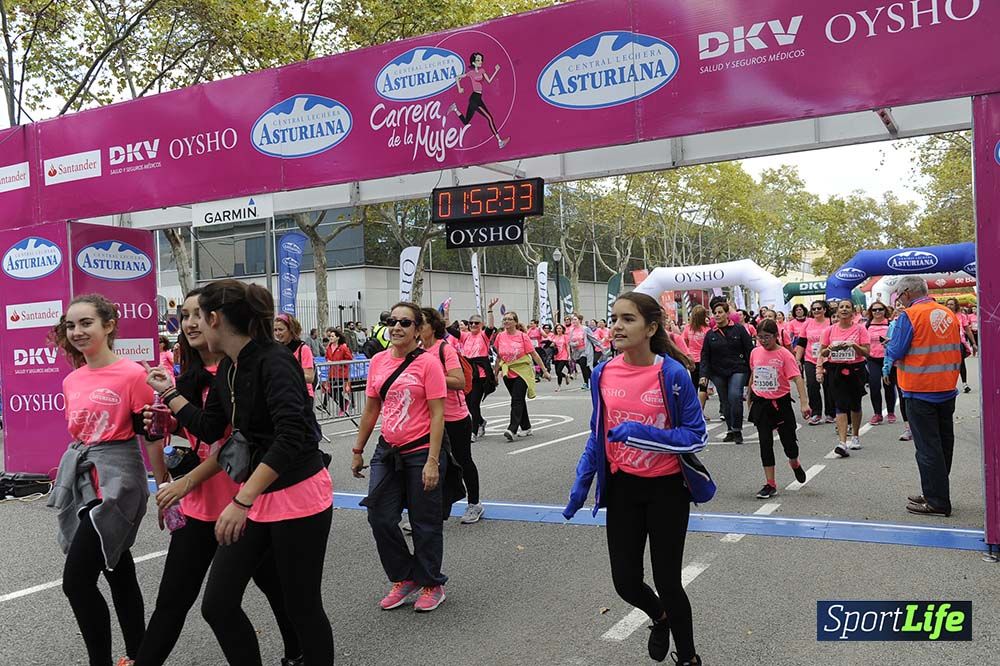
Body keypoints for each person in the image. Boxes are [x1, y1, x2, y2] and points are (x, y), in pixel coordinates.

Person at [144, 280, 334, 666]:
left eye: (197, 316)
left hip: (298, 496)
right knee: (218, 605)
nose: (191, 324)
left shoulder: (274, 360)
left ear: (215, 318)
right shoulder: (230, 366)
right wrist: (169, 395)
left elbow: (291, 436)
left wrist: (241, 500)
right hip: (256, 498)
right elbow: (211, 427)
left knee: (302, 606)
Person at [564, 292, 705, 665]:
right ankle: (659, 617)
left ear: (651, 328)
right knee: (625, 582)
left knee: (668, 582)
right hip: (623, 487)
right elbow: (598, 433)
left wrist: (642, 434)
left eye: (628, 319)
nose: (616, 327)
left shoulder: (672, 374)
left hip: (666, 489)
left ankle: (688, 657)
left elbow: (696, 436)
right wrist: (583, 481)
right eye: (614, 318)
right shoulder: (603, 373)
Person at [46, 294, 168, 666]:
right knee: (117, 567)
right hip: (84, 478)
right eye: (71, 325)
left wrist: (163, 486)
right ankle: (139, 655)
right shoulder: (72, 380)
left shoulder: (132, 375)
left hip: (120, 481)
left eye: (86, 323)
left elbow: (152, 436)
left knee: (76, 582)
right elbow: (81, 436)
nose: (77, 332)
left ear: (109, 325)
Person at [352, 303, 450, 611]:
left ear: (418, 329)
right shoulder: (378, 361)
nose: (396, 327)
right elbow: (371, 409)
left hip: (421, 450)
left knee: (424, 521)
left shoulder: (428, 363)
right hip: (387, 451)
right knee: (379, 516)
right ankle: (405, 576)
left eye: (405, 323)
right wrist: (357, 450)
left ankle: (431, 583)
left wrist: (433, 461)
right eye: (391, 321)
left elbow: (438, 414)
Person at [885, 276, 962, 517]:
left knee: (927, 448)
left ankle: (937, 501)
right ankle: (935, 491)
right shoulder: (947, 313)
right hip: (946, 387)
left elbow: (896, 350)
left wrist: (889, 343)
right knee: (943, 443)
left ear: (907, 292)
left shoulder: (910, 316)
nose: (899, 300)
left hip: (920, 389)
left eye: (899, 295)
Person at [420, 307, 484, 524]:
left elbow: (459, 382)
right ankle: (433, 511)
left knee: (463, 460)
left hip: (454, 417)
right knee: (432, 463)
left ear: (433, 327)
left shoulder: (444, 349)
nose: (417, 327)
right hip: (429, 417)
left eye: (421, 323)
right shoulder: (417, 351)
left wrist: (431, 375)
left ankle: (474, 504)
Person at [747, 320, 811, 499]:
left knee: (789, 442)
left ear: (776, 336)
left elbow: (797, 378)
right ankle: (770, 483)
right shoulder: (755, 352)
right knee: (765, 443)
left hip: (780, 403)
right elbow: (753, 374)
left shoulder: (784, 354)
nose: (763, 341)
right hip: (761, 403)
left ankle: (794, 462)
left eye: (767, 337)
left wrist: (804, 403)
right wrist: (749, 396)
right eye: (760, 337)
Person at [817, 300, 870, 458]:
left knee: (855, 404)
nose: (844, 309)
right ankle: (842, 442)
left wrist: (853, 345)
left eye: (848, 307)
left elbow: (867, 352)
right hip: (836, 369)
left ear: (853, 311)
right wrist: (830, 349)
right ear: (837, 312)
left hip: (856, 369)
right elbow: (822, 353)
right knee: (840, 404)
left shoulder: (860, 329)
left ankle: (855, 436)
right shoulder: (829, 331)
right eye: (842, 307)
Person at [700, 301, 754, 444]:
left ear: (727, 314)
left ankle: (737, 429)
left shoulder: (739, 329)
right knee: (725, 401)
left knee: (735, 396)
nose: (717, 315)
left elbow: (749, 350)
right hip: (718, 371)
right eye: (715, 313)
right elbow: (705, 356)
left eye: (720, 312)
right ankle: (730, 429)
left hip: (738, 369)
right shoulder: (710, 334)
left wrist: (754, 369)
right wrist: (703, 375)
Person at [494, 310, 550, 440]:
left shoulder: (522, 336)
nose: (506, 321)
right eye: (505, 319)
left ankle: (512, 429)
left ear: (515, 322)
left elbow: (534, 354)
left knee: (516, 400)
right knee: (518, 399)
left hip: (522, 371)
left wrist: (544, 370)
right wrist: (495, 374)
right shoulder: (500, 336)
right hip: (508, 371)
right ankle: (526, 427)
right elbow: (499, 357)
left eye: (509, 319)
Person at [446, 299, 498, 439]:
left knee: (474, 404)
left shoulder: (484, 335)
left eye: (476, 323)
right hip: (468, 373)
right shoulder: (464, 336)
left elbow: (491, 326)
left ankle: (473, 432)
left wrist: (490, 309)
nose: (473, 325)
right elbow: (449, 329)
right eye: (471, 323)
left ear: (481, 325)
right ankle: (481, 421)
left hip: (481, 375)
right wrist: (446, 312)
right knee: (468, 404)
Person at [448, 51, 509, 148]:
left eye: (481, 60)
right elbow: (457, 77)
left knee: (466, 121)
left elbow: (489, 81)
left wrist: (496, 70)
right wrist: (459, 88)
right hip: (474, 99)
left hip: (477, 98)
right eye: (478, 60)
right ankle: (500, 141)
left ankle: (455, 109)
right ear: (473, 62)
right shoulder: (471, 73)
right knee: (489, 118)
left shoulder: (482, 71)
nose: (480, 62)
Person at [795, 300, 835, 425]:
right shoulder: (807, 323)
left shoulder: (830, 321)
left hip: (828, 359)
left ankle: (830, 413)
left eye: (819, 308)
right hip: (810, 359)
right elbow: (801, 343)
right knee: (812, 385)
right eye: (814, 309)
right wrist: (797, 359)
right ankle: (816, 413)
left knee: (828, 386)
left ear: (824, 310)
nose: (816, 311)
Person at [273, 313, 317, 407]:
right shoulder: (277, 349)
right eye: (275, 330)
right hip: (282, 395)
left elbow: (310, 377)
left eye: (281, 329)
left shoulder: (303, 349)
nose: (277, 333)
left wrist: (287, 374)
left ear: (291, 330)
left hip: (302, 396)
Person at [883, 303, 912, 441]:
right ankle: (908, 428)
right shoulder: (893, 325)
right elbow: (889, 349)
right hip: (898, 366)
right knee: (903, 396)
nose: (900, 308)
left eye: (903, 306)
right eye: (898, 307)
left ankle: (918, 427)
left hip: (916, 366)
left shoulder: (916, 323)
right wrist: (886, 369)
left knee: (915, 398)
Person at [865, 302, 896, 425]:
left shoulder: (891, 324)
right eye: (874, 310)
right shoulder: (866, 325)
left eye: (880, 309)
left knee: (889, 385)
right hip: (873, 359)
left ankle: (891, 412)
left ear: (885, 310)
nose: (877, 312)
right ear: (871, 312)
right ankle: (877, 413)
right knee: (874, 385)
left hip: (888, 359)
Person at [682, 305, 711, 411]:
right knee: (703, 387)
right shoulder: (707, 330)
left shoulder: (687, 328)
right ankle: (701, 411)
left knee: (693, 386)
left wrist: (687, 355)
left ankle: (693, 411)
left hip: (691, 360)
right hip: (704, 361)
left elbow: (684, 343)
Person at [945, 297, 976, 393]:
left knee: (961, 362)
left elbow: (967, 330)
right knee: (948, 364)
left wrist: (973, 343)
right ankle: (949, 385)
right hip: (946, 343)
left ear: (956, 306)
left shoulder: (962, 316)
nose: (949, 306)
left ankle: (965, 384)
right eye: (948, 304)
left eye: (951, 304)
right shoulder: (943, 315)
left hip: (959, 342)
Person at [325, 328, 354, 416]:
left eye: (333, 336)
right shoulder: (328, 347)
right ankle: (344, 403)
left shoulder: (343, 347)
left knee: (338, 390)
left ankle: (343, 406)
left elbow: (349, 358)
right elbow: (327, 357)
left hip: (341, 373)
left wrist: (340, 363)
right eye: (330, 336)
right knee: (331, 391)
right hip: (332, 373)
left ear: (338, 337)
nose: (331, 338)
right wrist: (328, 361)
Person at [550, 323, 572, 391]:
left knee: (559, 370)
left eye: (560, 328)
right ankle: (565, 376)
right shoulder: (554, 336)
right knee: (557, 372)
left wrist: (569, 355)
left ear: (562, 329)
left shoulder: (565, 337)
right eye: (557, 328)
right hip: (556, 356)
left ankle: (559, 386)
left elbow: (567, 346)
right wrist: (552, 345)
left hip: (564, 356)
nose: (558, 329)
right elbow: (551, 345)